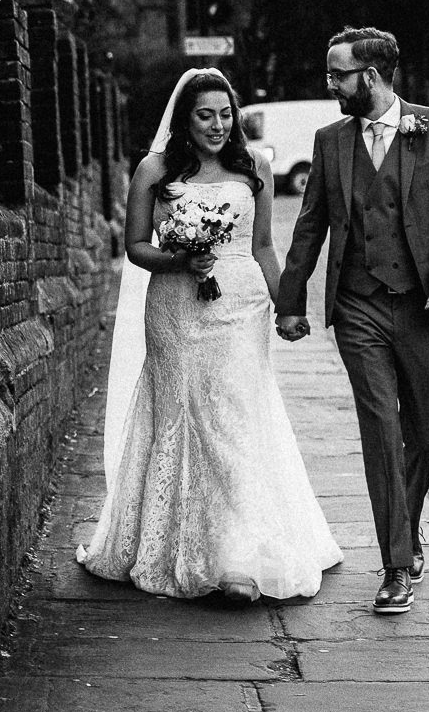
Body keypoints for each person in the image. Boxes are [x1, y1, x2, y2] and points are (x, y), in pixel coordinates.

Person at [82, 68, 342, 602]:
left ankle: (239, 558)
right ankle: (184, 546)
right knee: (184, 411)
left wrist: (287, 306)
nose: (218, 125)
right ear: (184, 120)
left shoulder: (257, 169)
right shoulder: (154, 171)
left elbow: (264, 246)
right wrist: (179, 258)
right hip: (176, 306)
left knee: (234, 416)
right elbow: (135, 247)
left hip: (241, 306)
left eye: (226, 114)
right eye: (205, 115)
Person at [275, 27, 429, 616]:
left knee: (426, 424)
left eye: (338, 74)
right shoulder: (330, 140)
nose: (330, 84)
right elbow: (311, 223)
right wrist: (291, 303)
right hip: (358, 303)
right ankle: (395, 566)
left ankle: (406, 529)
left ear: (371, 76)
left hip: (423, 302)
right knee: (380, 427)